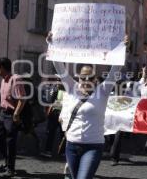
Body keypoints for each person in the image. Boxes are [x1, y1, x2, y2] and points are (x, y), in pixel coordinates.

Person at [48, 33, 125, 179]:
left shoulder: (102, 91)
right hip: (71, 145)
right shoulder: (72, 87)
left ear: (95, 78)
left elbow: (115, 70)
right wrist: (51, 45)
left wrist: (123, 48)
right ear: (78, 77)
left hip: (93, 146)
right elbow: (59, 67)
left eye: (90, 77)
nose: (86, 80)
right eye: (83, 77)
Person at [0, 57, 26, 177]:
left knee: (10, 142)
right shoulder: (3, 80)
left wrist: (16, 114)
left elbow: (22, 99)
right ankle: (8, 161)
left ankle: (10, 168)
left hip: (11, 115)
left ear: (2, 67)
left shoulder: (15, 79)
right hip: (2, 114)